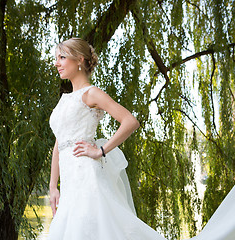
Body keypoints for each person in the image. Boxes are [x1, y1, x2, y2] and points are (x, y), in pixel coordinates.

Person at [48, 37, 235, 240]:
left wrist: (100, 150)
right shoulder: (64, 100)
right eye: (56, 58)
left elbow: (129, 121)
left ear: (79, 60)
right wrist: (53, 186)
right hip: (69, 182)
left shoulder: (91, 93)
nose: (56, 63)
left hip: (86, 175)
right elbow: (59, 143)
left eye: (62, 57)